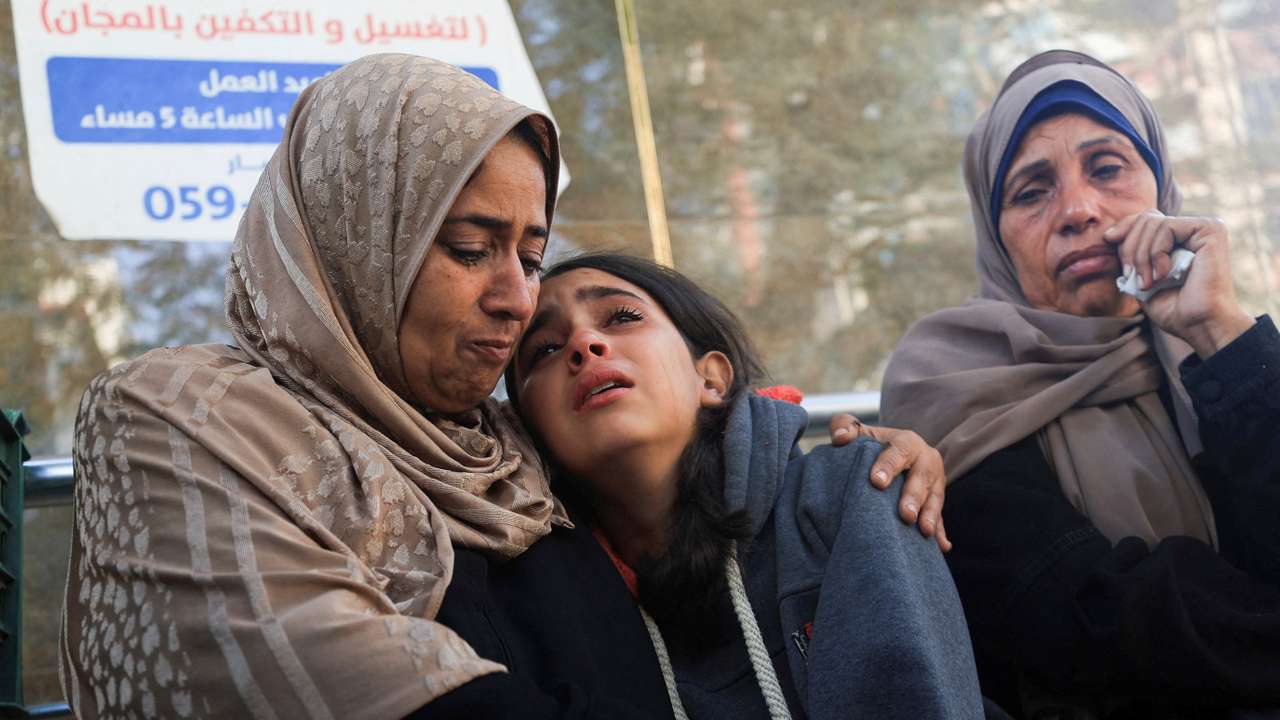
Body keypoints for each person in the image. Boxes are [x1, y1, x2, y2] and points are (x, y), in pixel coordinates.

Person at [62, 53, 947, 719]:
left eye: (530, 255)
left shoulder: (507, 455)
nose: (518, 300)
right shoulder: (185, 414)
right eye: (469, 248)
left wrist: (839, 463)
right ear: (355, 242)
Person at [881, 49, 1280, 717]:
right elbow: (1102, 625)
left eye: (1108, 168)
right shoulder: (951, 384)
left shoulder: (1212, 361)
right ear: (996, 235)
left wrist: (1218, 328)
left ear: (1162, 188)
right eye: (1032, 191)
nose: (1079, 210)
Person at [505, 252, 987, 719]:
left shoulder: (845, 491)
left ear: (711, 378)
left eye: (622, 316)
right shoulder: (553, 600)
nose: (584, 345)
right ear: (530, 433)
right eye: (543, 349)